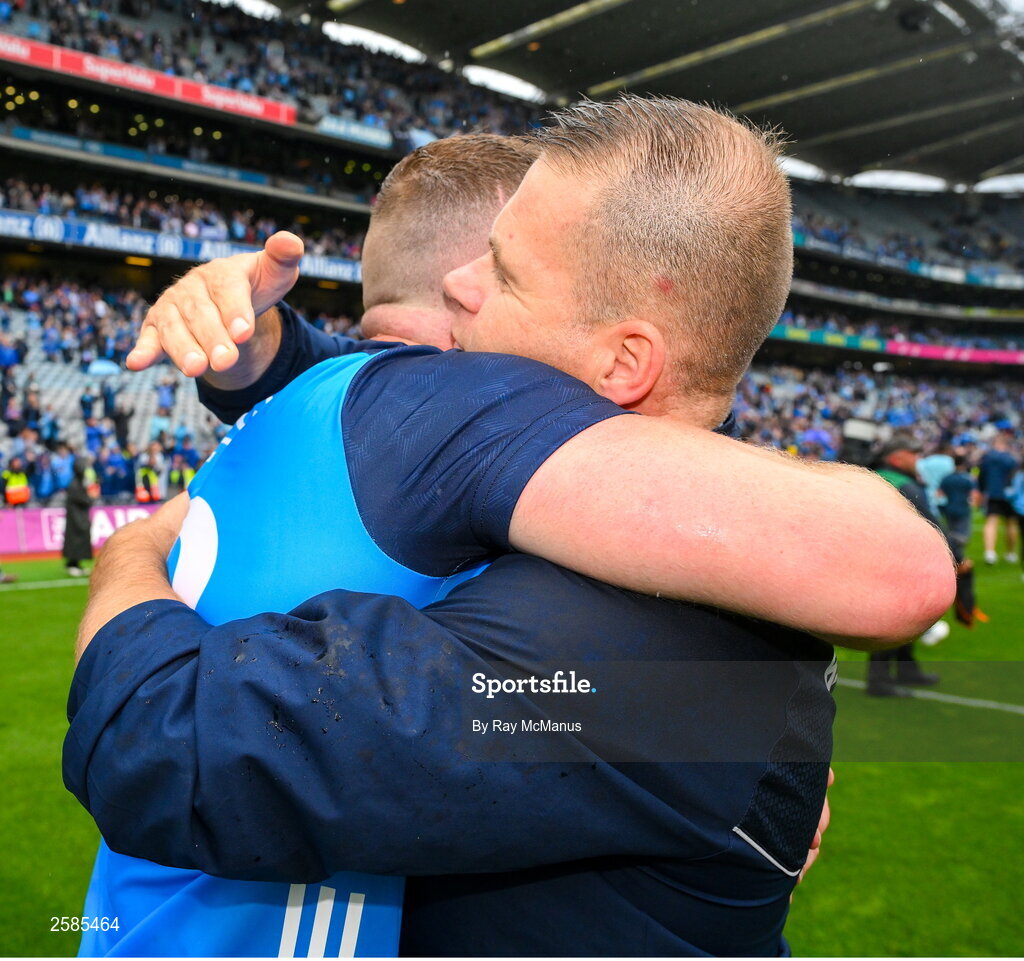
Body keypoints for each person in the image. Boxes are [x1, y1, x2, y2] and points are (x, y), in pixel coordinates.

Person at [66, 107, 951, 956]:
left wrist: (131, 552)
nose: (458, 285)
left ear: (624, 363)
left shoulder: (639, 649)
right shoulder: (642, 541)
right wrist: (266, 348)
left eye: (504, 272)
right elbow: (394, 398)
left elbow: (166, 739)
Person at [868, 434, 946, 696]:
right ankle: (880, 680)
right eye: (912, 454)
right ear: (897, 457)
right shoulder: (903, 483)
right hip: (898, 562)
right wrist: (956, 555)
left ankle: (904, 669)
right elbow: (930, 521)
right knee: (895, 622)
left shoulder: (871, 477)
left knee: (900, 620)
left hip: (879, 558)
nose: (917, 459)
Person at [979, 432, 1019, 564]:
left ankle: (990, 552)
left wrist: (982, 489)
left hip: (993, 493)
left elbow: (982, 476)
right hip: (1010, 494)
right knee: (1011, 523)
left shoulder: (987, 458)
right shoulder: (1011, 459)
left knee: (991, 522)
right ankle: (1011, 553)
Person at [62, 458, 95, 577]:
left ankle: (77, 563)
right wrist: (91, 498)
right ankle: (72, 564)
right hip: (75, 518)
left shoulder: (79, 482)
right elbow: (84, 500)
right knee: (75, 541)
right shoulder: (75, 484)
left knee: (80, 541)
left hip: (79, 517)